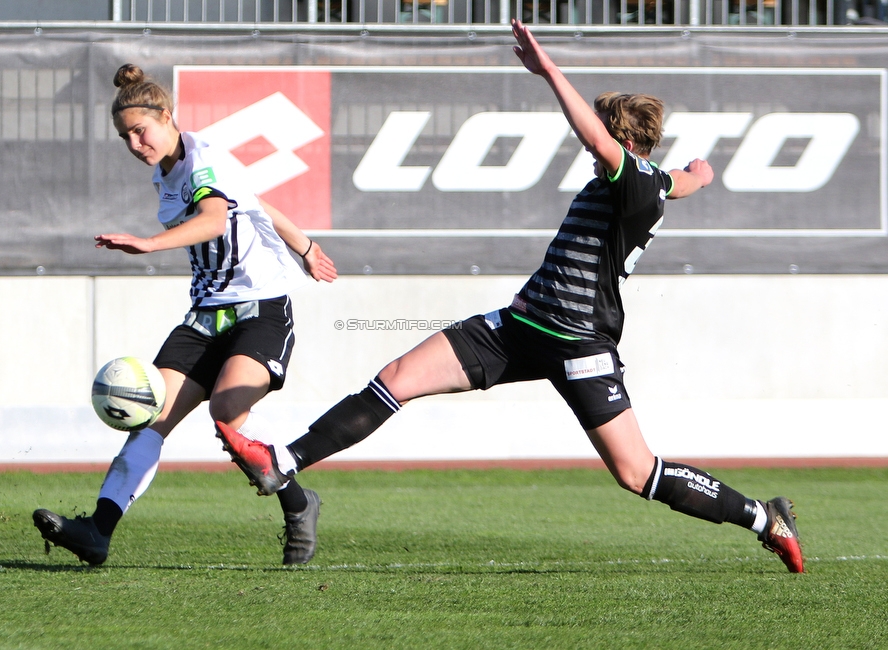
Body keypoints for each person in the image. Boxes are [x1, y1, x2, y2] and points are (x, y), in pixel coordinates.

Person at [214, 20, 804, 573]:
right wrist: (700, 174)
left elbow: (613, 150)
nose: (590, 146)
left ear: (622, 140)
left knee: (636, 472)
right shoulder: (648, 182)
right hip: (518, 327)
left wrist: (549, 70)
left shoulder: (635, 184)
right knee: (396, 378)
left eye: (603, 137)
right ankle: (282, 463)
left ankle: (762, 516)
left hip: (580, 346)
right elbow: (688, 180)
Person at [33, 63, 337, 566]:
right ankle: (97, 532)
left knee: (226, 416)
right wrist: (305, 246)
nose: (135, 143)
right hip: (206, 314)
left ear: (167, 116)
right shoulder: (166, 171)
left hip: (260, 309)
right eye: (125, 136)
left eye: (140, 131)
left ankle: (299, 503)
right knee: (150, 420)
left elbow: (217, 219)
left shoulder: (202, 161)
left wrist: (149, 244)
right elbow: (253, 202)